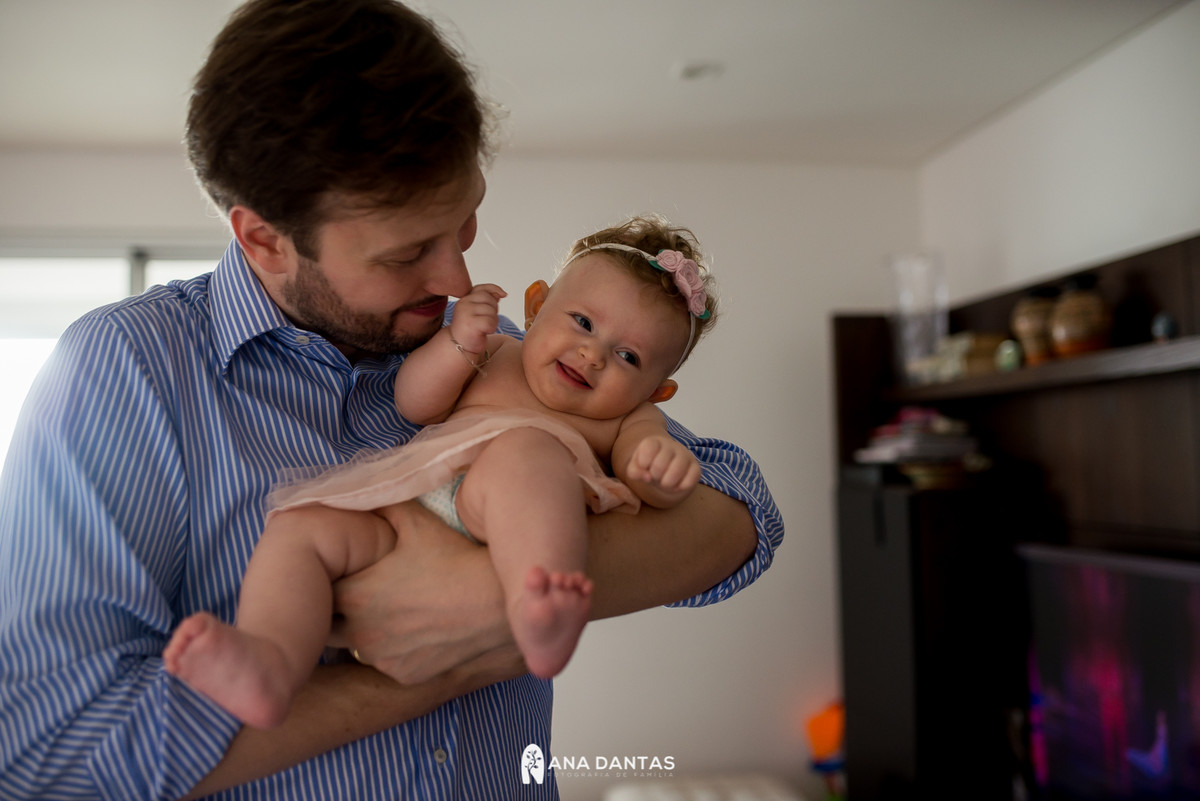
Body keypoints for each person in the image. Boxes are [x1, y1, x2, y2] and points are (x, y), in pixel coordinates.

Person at [0, 1, 784, 799]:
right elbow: (48, 754)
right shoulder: (124, 370)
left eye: (466, 218)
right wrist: (431, 664)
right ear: (265, 238)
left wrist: (491, 603)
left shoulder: (499, 351)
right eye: (407, 251)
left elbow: (741, 512)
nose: (453, 280)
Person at [164, 216, 719, 726]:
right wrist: (458, 344)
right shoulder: (497, 351)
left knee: (525, 452)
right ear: (535, 307)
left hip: (502, 511)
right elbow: (414, 404)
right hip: (413, 503)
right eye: (582, 322)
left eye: (629, 358)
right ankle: (270, 662)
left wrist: (658, 472)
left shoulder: (633, 417)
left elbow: (651, 475)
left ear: (658, 389)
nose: (592, 354)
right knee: (303, 528)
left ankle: (537, 609)